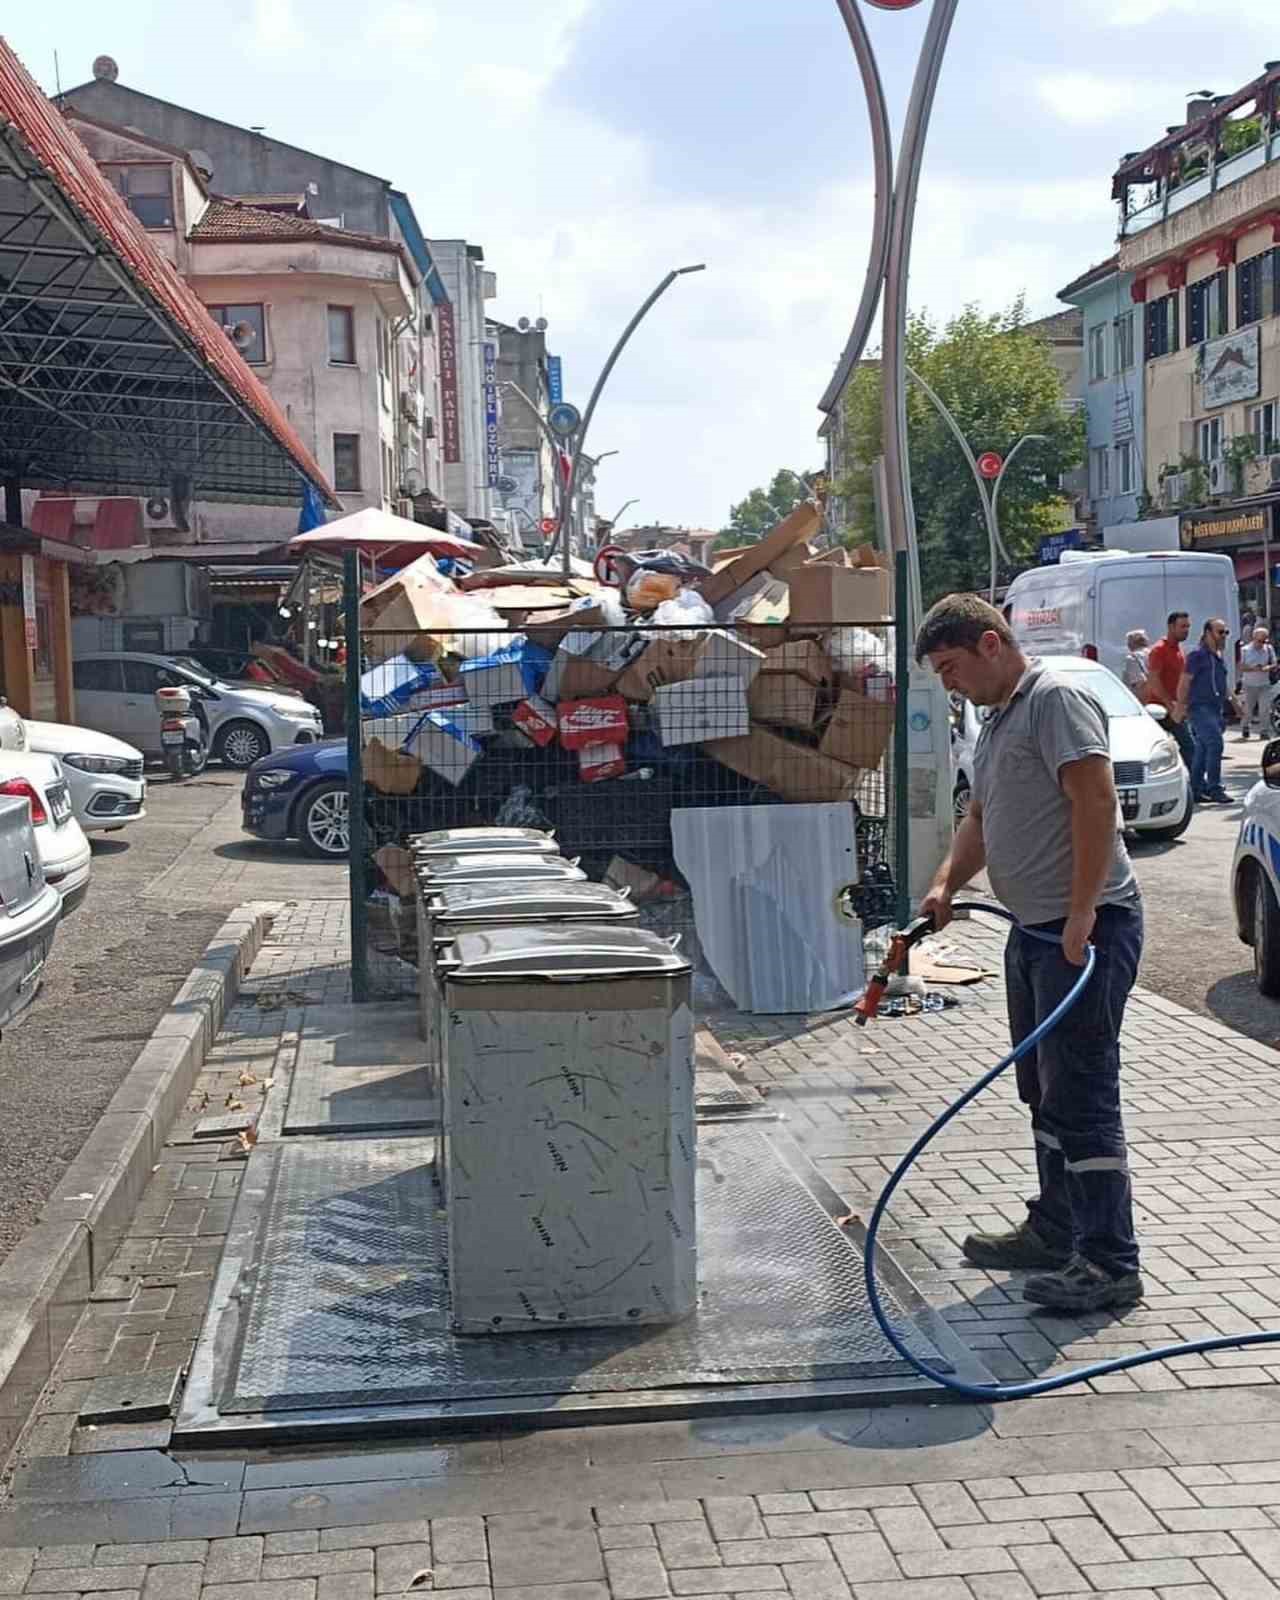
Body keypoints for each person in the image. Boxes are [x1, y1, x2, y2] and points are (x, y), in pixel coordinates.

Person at [916, 594, 1144, 1313]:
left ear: (991, 644)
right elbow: (981, 816)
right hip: (1036, 931)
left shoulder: (1056, 700)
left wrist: (1082, 911)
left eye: (951, 667)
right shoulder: (996, 720)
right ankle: (1055, 1229)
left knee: (1081, 1092)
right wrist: (946, 882)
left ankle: (1110, 1264)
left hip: (1087, 929)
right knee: (1041, 1089)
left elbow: (1095, 802)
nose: (948, 683)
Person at [1179, 618, 1232, 803]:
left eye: (1226, 632)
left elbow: (1221, 684)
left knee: (1202, 749)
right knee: (1215, 744)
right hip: (1199, 708)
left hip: (1215, 709)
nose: (1224, 636)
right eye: (1220, 632)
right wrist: (1181, 706)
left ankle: (1196, 788)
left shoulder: (1218, 656)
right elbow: (1185, 681)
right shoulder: (1197, 655)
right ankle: (1214, 788)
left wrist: (1234, 703)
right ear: (1208, 633)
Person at [1145, 612, 1195, 771]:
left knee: (1189, 747)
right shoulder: (1159, 650)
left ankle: (1196, 785)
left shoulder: (1179, 650)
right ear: (1171, 627)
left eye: (1188, 626)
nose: (1186, 630)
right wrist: (1169, 704)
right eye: (1182, 626)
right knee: (1181, 747)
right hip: (1160, 710)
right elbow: (1153, 680)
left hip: (1176, 708)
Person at [1239, 623, 1276, 741]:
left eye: (1265, 640)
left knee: (1264, 709)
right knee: (1248, 709)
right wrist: (1253, 669)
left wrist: (1268, 668)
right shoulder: (1244, 650)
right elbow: (1241, 667)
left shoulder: (1269, 649)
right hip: (1249, 684)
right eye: (1260, 641)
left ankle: (1264, 731)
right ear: (1254, 638)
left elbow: (1274, 664)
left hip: (1264, 684)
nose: (1263, 643)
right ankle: (1245, 726)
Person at [1121, 629, 1150, 697]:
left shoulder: (1132, 659)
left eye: (1128, 643)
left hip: (1139, 700)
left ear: (1131, 644)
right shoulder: (1153, 654)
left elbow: (1138, 684)